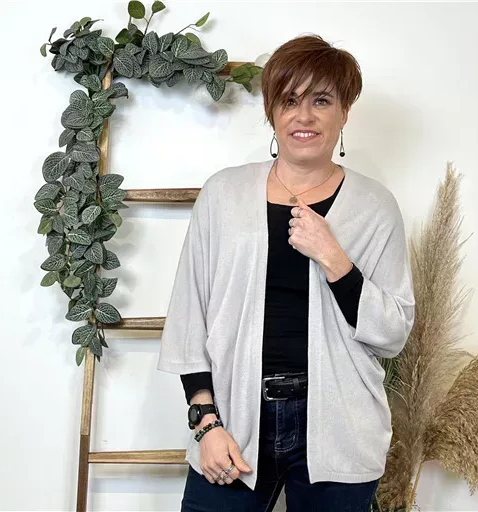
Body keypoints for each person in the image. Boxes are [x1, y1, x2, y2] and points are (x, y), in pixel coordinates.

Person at [157, 34, 415, 512]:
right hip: (232, 422)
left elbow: (393, 333)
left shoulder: (375, 207)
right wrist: (206, 424)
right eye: (290, 100)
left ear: (344, 112)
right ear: (272, 112)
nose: (305, 116)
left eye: (322, 101)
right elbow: (190, 317)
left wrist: (334, 257)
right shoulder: (224, 195)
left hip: (341, 430)